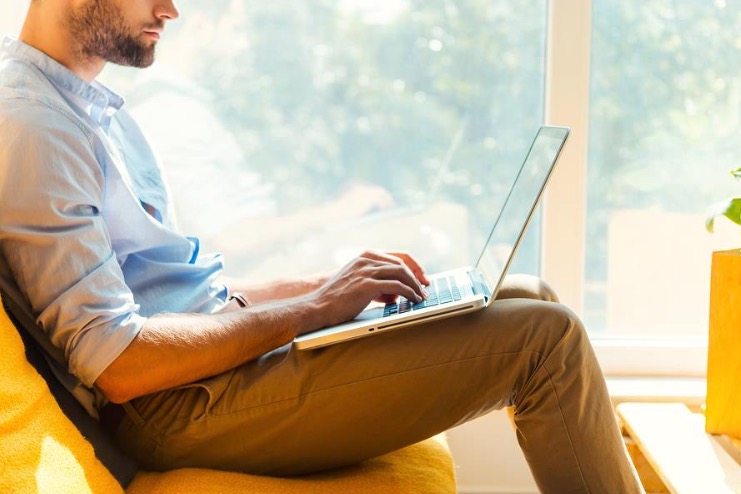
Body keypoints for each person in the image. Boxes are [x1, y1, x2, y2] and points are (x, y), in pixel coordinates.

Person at [0, 1, 644, 492]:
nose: (171, 9)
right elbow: (117, 363)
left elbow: (182, 298)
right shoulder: (34, 124)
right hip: (174, 407)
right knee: (545, 339)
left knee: (524, 293)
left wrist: (325, 283)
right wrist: (316, 311)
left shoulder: (88, 108)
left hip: (204, 366)